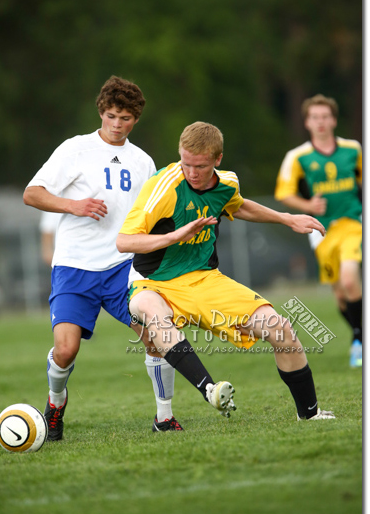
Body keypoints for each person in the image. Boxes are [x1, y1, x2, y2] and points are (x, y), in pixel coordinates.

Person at [116, 121, 335, 421]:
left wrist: (287, 219)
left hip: (204, 279)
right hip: (153, 283)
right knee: (152, 315)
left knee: (279, 328)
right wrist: (174, 236)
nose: (191, 172)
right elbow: (124, 241)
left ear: (217, 160)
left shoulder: (228, 182)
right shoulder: (163, 186)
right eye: (186, 163)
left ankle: (309, 416)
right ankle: (209, 389)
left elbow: (238, 205)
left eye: (201, 166)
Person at [23, 75, 182, 440]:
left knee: (154, 334)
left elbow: (152, 213)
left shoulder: (143, 161)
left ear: (136, 119)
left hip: (122, 267)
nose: (116, 124)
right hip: (74, 265)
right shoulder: (74, 149)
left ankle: (164, 416)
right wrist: (73, 205)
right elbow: (32, 194)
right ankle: (55, 405)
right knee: (65, 350)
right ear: (101, 112)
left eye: (124, 118)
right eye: (111, 115)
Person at [275, 94, 362, 368]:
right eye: (315, 117)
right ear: (307, 122)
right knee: (340, 293)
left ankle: (359, 340)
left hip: (353, 223)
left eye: (325, 116)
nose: (321, 122)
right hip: (321, 231)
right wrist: (308, 204)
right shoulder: (297, 156)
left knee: (350, 280)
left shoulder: (353, 149)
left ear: (334, 120)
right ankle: (359, 335)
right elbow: (284, 194)